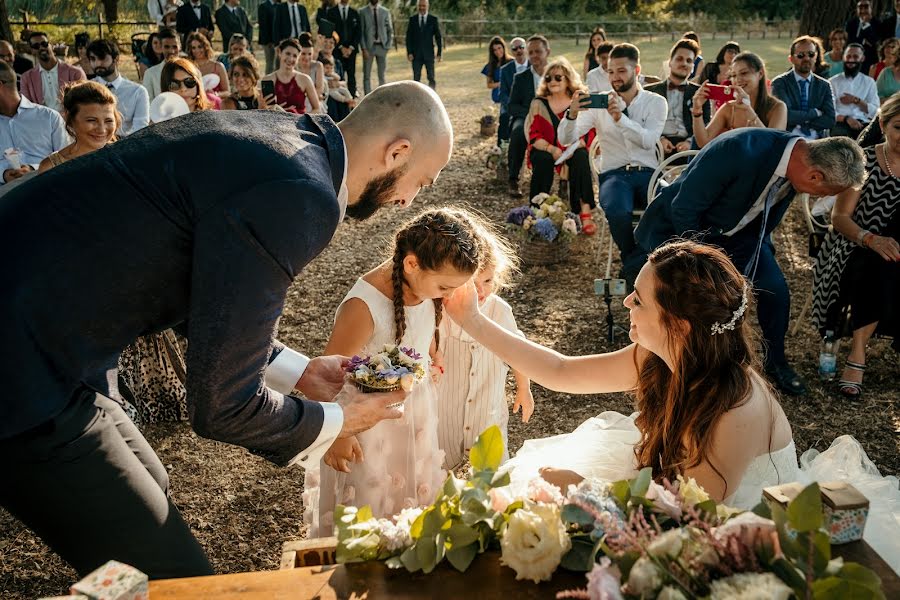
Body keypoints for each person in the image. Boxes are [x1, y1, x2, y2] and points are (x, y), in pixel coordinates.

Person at [0, 80, 453, 580]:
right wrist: (335, 420)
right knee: (178, 578)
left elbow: (200, 293)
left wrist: (300, 371)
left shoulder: (279, 137)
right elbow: (222, 405)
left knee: (150, 499)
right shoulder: (303, 194)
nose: (409, 201)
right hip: (23, 379)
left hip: (56, 347)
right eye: (422, 183)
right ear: (398, 152)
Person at [444, 240, 796, 508]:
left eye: (639, 300)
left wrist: (585, 488)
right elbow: (561, 370)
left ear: (679, 326)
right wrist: (472, 320)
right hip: (668, 489)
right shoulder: (659, 356)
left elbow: (690, 512)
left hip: (728, 524)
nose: (626, 302)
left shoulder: (736, 411)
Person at [635, 129, 865, 397]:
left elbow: (762, 214)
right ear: (815, 176)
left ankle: (775, 363)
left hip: (742, 239)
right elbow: (684, 209)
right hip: (684, 233)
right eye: (826, 192)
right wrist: (705, 264)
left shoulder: (797, 164)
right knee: (696, 302)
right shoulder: (739, 150)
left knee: (776, 292)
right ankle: (684, 366)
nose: (821, 198)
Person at [303, 207, 485, 536]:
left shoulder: (424, 287)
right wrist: (336, 435)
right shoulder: (364, 307)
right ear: (412, 264)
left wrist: (432, 349)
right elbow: (323, 378)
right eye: (445, 287)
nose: (449, 295)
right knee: (369, 498)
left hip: (413, 414)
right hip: (365, 424)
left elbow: (420, 326)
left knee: (411, 497)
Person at [811, 93, 900, 399]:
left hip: (895, 245)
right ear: (884, 125)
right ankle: (857, 353)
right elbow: (840, 217)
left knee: (891, 258)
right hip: (854, 242)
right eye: (899, 127)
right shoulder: (865, 159)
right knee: (880, 265)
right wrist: (871, 239)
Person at [561, 43, 667, 282]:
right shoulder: (598, 104)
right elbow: (566, 138)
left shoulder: (656, 102)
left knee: (669, 209)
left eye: (621, 71)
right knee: (617, 210)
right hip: (614, 175)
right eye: (610, 71)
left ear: (637, 70)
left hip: (649, 174)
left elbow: (649, 141)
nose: (615, 77)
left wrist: (620, 119)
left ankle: (635, 268)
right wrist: (572, 113)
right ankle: (637, 265)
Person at [436, 229, 531, 469]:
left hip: (486, 405)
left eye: (488, 281)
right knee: (443, 464)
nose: (481, 291)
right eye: (472, 284)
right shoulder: (442, 310)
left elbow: (518, 351)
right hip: (447, 406)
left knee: (489, 468)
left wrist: (523, 388)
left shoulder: (498, 311)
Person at [526, 57, 596, 223]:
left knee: (580, 156)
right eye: (548, 78)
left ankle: (584, 210)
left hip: (573, 149)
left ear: (568, 80)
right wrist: (552, 149)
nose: (552, 81)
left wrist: (576, 145)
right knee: (542, 159)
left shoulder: (579, 102)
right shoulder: (538, 103)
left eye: (558, 77)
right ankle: (538, 209)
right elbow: (533, 135)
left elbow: (590, 131)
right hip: (547, 149)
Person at [692, 52, 787, 148]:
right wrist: (697, 110)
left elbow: (773, 146)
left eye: (744, 73)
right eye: (733, 75)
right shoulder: (729, 107)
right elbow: (703, 142)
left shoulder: (778, 107)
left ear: (760, 74)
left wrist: (749, 111)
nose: (738, 79)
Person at [0, 60, 68, 185]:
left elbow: (67, 159)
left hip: (48, 188)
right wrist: (3, 174)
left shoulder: (49, 117)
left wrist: (34, 169)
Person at [645, 38, 710, 157]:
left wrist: (690, 142)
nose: (684, 63)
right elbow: (641, 121)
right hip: (655, 147)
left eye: (689, 61)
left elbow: (706, 123)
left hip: (690, 148)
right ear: (670, 62)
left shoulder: (700, 93)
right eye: (679, 59)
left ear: (692, 67)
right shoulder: (649, 91)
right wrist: (659, 139)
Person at [38, 82, 118, 175]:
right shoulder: (51, 167)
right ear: (70, 119)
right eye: (91, 120)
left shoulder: (125, 155)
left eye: (108, 121)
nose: (102, 130)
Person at [507, 35, 550, 198]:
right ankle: (513, 178)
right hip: (526, 117)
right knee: (518, 132)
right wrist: (531, 115)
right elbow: (512, 106)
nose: (533, 56)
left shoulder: (556, 76)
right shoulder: (520, 78)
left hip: (552, 118)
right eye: (530, 52)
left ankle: (565, 182)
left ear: (547, 52)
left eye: (538, 51)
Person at [771, 36, 836, 141]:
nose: (806, 58)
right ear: (791, 59)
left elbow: (830, 119)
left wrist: (805, 121)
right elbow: (786, 116)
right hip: (789, 138)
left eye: (811, 54)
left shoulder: (824, 85)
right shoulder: (779, 83)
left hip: (818, 140)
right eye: (801, 55)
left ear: (816, 57)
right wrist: (814, 113)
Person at [87, 40, 150, 137]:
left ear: (116, 59)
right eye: (93, 59)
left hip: (126, 147)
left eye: (102, 58)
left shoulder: (137, 92)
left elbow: (140, 129)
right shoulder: (86, 89)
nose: (97, 63)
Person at [20, 32, 86, 113]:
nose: (41, 48)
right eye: (36, 46)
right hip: (42, 122)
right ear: (32, 50)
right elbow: (26, 107)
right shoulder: (26, 78)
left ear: (51, 45)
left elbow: (84, 102)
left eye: (44, 44)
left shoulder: (75, 73)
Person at [830, 43, 880, 138]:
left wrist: (856, 100)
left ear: (862, 58)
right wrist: (846, 119)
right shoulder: (833, 82)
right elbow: (830, 111)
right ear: (843, 58)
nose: (851, 60)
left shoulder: (869, 82)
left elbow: (875, 111)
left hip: (864, 123)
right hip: (841, 123)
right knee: (841, 141)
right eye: (848, 56)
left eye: (855, 56)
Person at [261, 38, 320, 114]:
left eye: (295, 56)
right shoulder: (268, 79)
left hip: (299, 123)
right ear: (279, 52)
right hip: (276, 122)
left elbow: (317, 109)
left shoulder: (305, 79)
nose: (291, 59)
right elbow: (262, 110)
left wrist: (302, 119)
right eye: (288, 54)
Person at [498, 36, 528, 147]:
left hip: (532, 105)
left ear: (526, 48)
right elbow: (502, 93)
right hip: (512, 106)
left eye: (521, 47)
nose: (519, 50)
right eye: (515, 49)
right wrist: (512, 105)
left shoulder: (535, 66)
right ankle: (502, 150)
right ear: (512, 52)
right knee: (504, 117)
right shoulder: (505, 70)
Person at [328, 0, 361, 98]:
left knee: (351, 76)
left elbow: (358, 32)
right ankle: (341, 103)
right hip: (337, 50)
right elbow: (331, 31)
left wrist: (351, 48)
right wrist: (341, 47)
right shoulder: (331, 12)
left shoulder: (354, 13)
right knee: (338, 75)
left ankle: (352, 101)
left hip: (351, 51)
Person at [405, 0, 442, 90]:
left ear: (427, 6)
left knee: (431, 77)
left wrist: (439, 53)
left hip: (429, 54)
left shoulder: (433, 19)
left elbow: (438, 37)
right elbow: (408, 37)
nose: (422, 8)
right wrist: (409, 52)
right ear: (417, 6)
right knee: (416, 79)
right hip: (416, 55)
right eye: (420, 6)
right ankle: (417, 97)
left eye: (424, 6)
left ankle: (432, 96)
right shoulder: (412, 19)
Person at [359, 0, 392, 95]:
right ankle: (367, 98)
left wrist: (388, 45)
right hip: (369, 48)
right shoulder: (362, 12)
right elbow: (361, 32)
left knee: (382, 75)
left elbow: (390, 30)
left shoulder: (385, 11)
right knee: (367, 75)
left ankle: (383, 96)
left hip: (382, 47)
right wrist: (364, 48)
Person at [482, 36, 511, 144]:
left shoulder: (511, 62)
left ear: (504, 47)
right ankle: (502, 145)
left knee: (506, 120)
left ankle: (505, 143)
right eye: (495, 50)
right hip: (498, 96)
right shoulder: (491, 65)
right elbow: (489, 85)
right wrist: (501, 83)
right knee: (502, 120)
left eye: (499, 48)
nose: (498, 52)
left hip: (509, 96)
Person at [142, 28, 181, 100]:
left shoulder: (192, 71)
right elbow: (148, 103)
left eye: (174, 47)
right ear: (161, 47)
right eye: (167, 47)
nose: (171, 51)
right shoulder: (150, 74)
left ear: (180, 47)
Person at [846, 0, 881, 75]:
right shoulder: (851, 23)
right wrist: (864, 41)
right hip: (854, 60)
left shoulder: (877, 23)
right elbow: (850, 42)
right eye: (860, 7)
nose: (863, 10)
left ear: (871, 8)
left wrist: (866, 26)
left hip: (870, 61)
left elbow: (875, 41)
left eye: (866, 7)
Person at [297, 32, 326, 112]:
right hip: (297, 103)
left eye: (309, 54)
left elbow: (319, 88)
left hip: (313, 101)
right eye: (303, 54)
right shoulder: (294, 68)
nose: (307, 57)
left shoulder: (318, 66)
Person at [258, 0, 277, 74]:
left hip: (277, 40)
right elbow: (263, 25)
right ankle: (268, 83)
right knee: (270, 64)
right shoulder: (263, 6)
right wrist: (268, 41)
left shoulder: (278, 5)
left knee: (278, 64)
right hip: (268, 41)